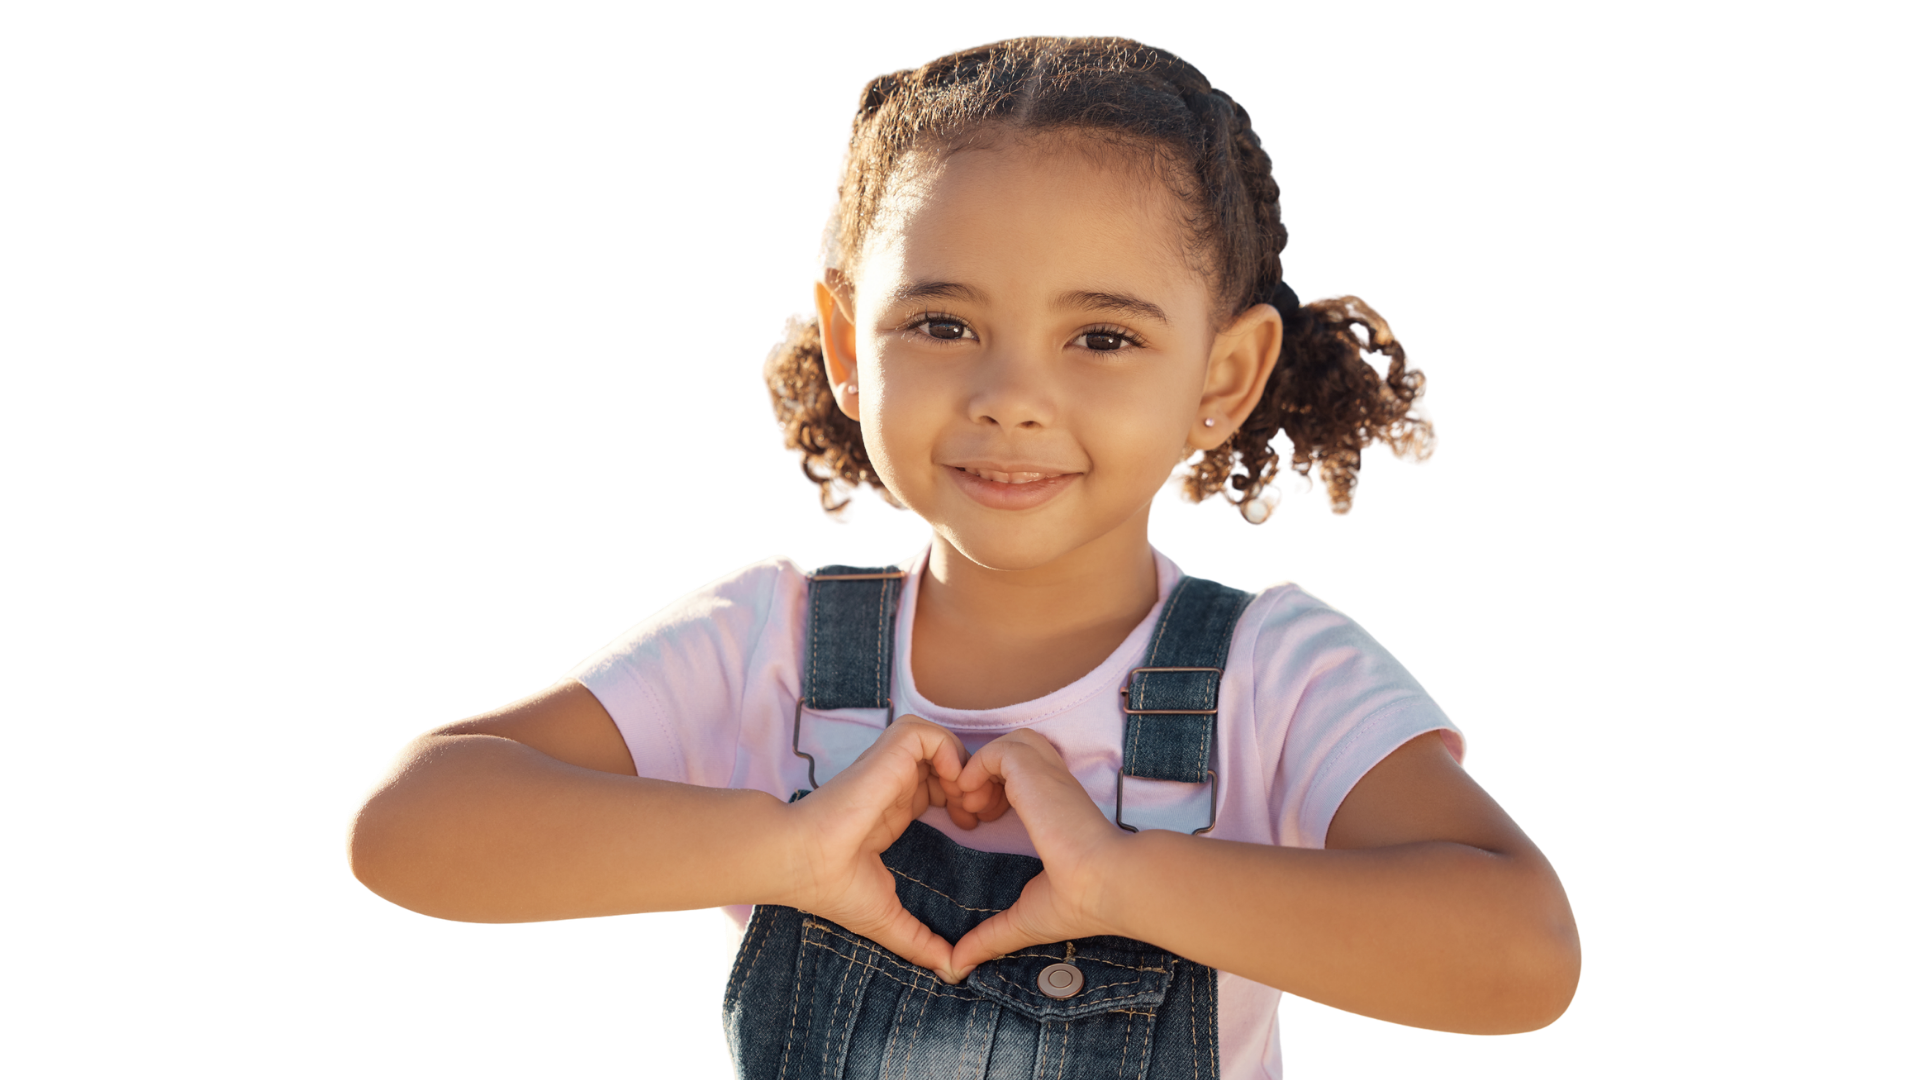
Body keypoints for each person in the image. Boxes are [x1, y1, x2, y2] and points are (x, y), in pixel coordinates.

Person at [345, 35, 1580, 1078]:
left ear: (1223, 378)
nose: (1010, 397)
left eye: (1101, 336)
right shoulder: (766, 639)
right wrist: (785, 850)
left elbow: (1522, 957)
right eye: (943, 323)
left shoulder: (1277, 672)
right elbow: (403, 832)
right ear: (846, 338)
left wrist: (1123, 879)